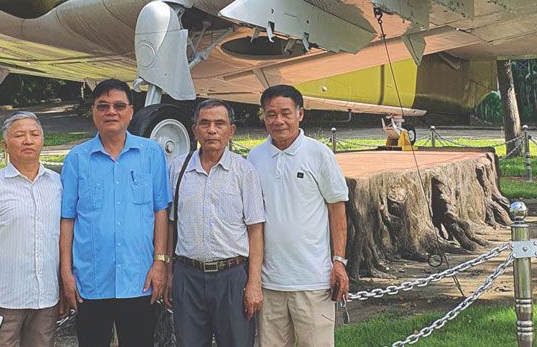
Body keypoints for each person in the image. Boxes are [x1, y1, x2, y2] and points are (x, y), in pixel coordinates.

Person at [60, 79, 171, 347]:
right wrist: (66, 272)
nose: (112, 112)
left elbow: (160, 212)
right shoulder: (77, 158)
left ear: (131, 112)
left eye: (119, 106)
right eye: (104, 106)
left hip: (139, 277)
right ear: (94, 112)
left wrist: (160, 263)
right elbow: (67, 219)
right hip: (90, 279)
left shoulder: (151, 153)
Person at [246, 85, 350, 347]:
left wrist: (339, 261)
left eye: (285, 113)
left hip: (314, 280)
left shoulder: (319, 154)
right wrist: (254, 279)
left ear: (300, 114)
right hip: (270, 283)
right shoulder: (254, 157)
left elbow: (337, 210)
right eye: (270, 114)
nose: (278, 121)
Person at [165, 99, 264, 347]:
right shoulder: (177, 169)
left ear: (231, 131)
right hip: (188, 276)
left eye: (219, 124)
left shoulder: (244, 172)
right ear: (194, 129)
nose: (212, 130)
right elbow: (170, 225)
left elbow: (255, 231)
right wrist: (168, 273)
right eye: (205, 123)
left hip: (232, 277)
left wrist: (253, 283)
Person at [0, 111, 64, 347]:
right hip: (0, 300)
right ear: (5, 145)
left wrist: (64, 288)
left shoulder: (58, 184)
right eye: (19, 135)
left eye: (34, 134)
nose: (28, 140)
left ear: (42, 141)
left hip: (45, 299)